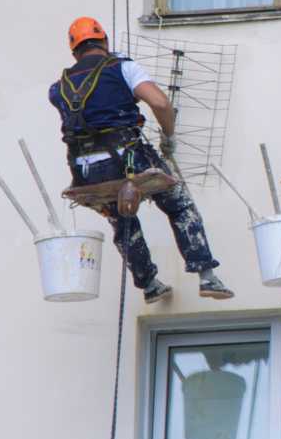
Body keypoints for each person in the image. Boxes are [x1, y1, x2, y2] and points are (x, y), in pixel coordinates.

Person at [48, 17, 232, 304]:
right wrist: (168, 136)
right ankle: (206, 274)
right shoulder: (122, 68)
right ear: (105, 42)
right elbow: (159, 103)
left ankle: (149, 285)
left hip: (85, 171)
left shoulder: (58, 87)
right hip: (128, 160)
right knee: (179, 203)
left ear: (74, 52)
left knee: (122, 220)